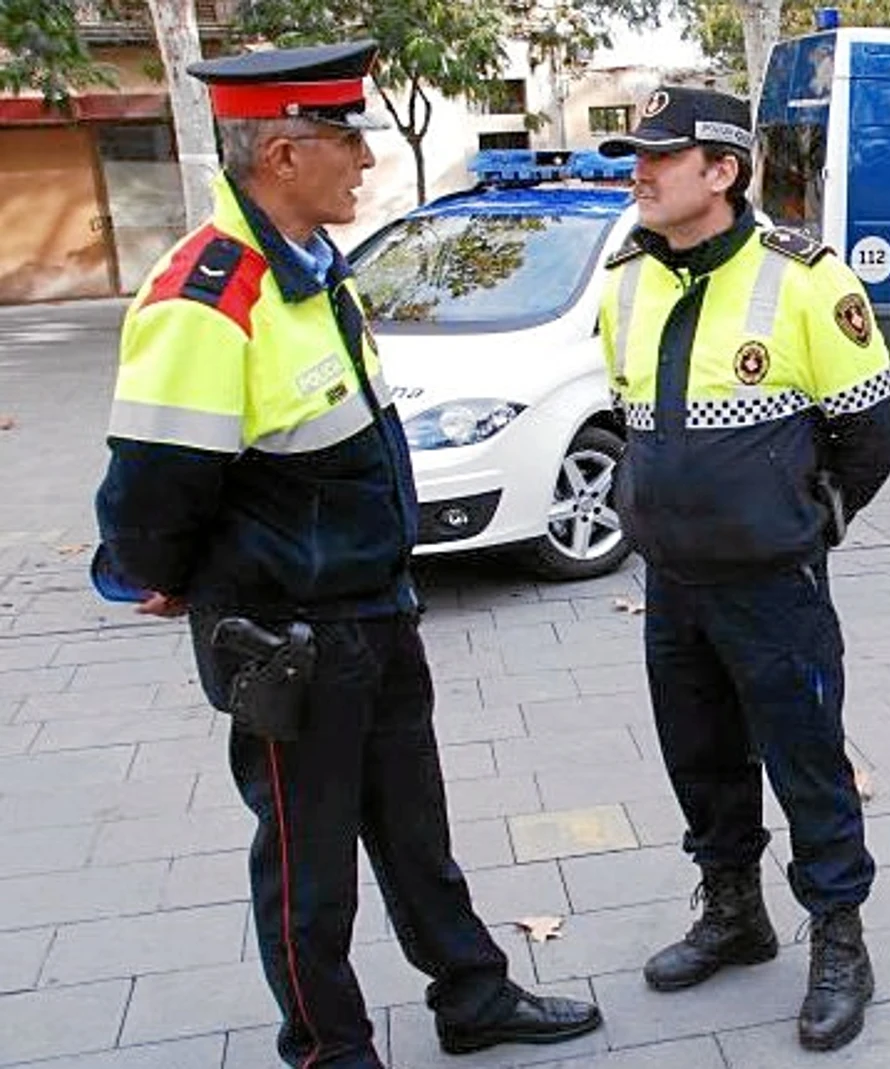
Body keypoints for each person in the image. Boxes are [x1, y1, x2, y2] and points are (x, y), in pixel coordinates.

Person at [90, 41, 601, 1068]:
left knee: (415, 829)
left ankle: (473, 995)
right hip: (288, 634)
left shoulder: (314, 272)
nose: (364, 160)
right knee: (308, 862)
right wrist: (160, 574)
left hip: (372, 607)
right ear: (282, 153)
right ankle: (328, 1047)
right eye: (345, 139)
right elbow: (153, 481)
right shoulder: (211, 295)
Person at [595, 86, 890, 1052]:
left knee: (806, 759)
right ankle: (734, 912)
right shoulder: (627, 278)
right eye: (635, 155)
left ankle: (840, 937)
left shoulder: (807, 277)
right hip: (672, 582)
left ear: (721, 172)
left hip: (774, 585)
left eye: (660, 157)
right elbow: (629, 413)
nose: (638, 173)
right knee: (701, 757)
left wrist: (805, 524)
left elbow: (872, 435)